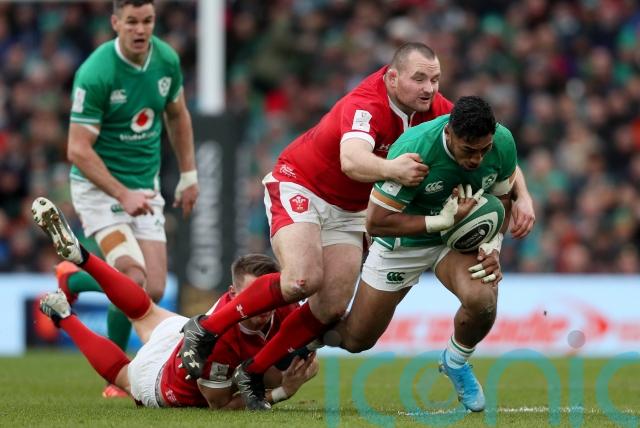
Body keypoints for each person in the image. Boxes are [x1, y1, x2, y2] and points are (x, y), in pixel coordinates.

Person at [178, 43, 534, 410]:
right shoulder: (367, 105)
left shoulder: (436, 110)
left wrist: (522, 195)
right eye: (419, 79)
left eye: (435, 79)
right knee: (303, 280)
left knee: (331, 308)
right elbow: (351, 160)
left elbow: (488, 147)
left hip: (351, 210)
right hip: (303, 185)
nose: (429, 88)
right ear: (392, 78)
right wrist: (393, 169)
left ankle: (253, 373)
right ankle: (206, 327)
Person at [32, 197, 318, 409]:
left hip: (184, 332)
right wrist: (282, 391)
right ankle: (64, 316)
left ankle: (81, 258)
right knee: (124, 374)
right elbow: (220, 405)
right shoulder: (222, 342)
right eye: (250, 297)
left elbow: (304, 335)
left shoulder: (281, 302)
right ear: (232, 294)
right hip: (163, 380)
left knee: (145, 310)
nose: (262, 305)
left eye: (265, 295)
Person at [331, 96, 519, 412]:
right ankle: (303, 340)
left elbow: (503, 199)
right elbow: (376, 222)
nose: (477, 159)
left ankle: (456, 361)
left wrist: (492, 245)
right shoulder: (415, 150)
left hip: (457, 239)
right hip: (404, 240)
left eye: (483, 150)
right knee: (356, 340)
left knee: (483, 299)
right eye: (468, 150)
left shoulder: (502, 142)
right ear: (449, 133)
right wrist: (438, 222)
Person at [61, 0, 198, 397]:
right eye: (132, 22)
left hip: (144, 187)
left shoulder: (165, 60)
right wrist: (122, 193)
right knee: (132, 278)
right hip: (99, 188)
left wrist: (189, 175)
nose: (141, 30)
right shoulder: (96, 72)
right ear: (115, 23)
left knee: (152, 289)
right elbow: (77, 149)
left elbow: (178, 115)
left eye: (148, 21)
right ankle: (116, 376)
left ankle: (73, 276)